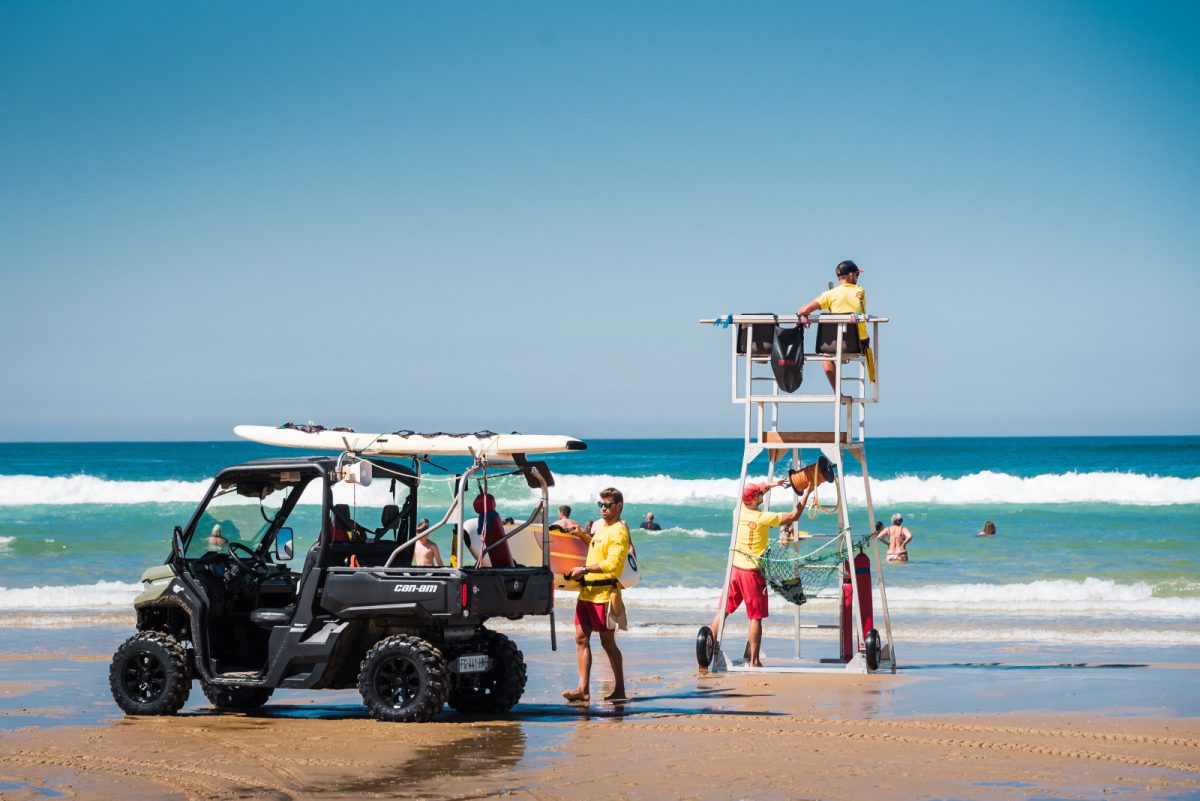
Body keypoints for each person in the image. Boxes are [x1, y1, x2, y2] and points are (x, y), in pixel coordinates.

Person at [709, 480, 806, 668]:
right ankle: (754, 661)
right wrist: (807, 493)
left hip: (734, 570)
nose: (762, 496)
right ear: (754, 500)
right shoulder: (763, 518)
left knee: (723, 611)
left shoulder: (737, 511)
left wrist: (773, 484)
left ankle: (708, 651)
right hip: (752, 574)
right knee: (755, 617)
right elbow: (794, 515)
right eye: (760, 495)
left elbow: (757, 491)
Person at [562, 487, 631, 703]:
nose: (603, 508)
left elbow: (614, 565)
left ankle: (619, 689)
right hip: (587, 593)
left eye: (607, 505)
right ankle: (583, 690)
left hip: (604, 595)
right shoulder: (601, 527)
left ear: (618, 506)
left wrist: (583, 569)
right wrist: (582, 535)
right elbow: (595, 546)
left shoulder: (619, 531)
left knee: (607, 643)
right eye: (600, 504)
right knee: (581, 638)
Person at [796, 260, 869, 390]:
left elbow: (803, 310)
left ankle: (837, 392)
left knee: (826, 357)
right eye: (857, 275)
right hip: (856, 344)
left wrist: (804, 315)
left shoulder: (829, 294)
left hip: (832, 345)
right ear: (851, 275)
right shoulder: (860, 292)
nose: (857, 278)